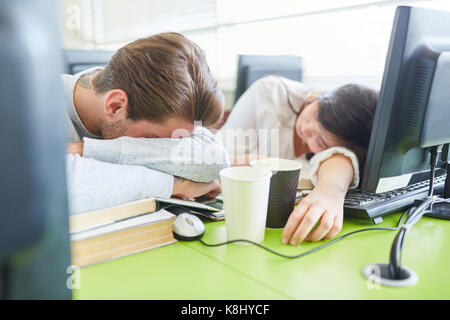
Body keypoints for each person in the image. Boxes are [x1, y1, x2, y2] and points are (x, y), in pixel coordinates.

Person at [64, 32, 230, 213]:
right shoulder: (34, 104)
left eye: (168, 143)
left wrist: (87, 150)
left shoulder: (164, 109)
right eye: (153, 139)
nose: (157, 146)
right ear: (116, 106)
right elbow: (63, 188)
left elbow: (215, 159)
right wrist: (174, 186)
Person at [217, 75, 378, 245]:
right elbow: (211, 158)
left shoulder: (333, 152)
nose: (307, 128)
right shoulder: (269, 93)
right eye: (317, 114)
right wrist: (251, 163)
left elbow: (342, 157)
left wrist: (331, 191)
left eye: (321, 141)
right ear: (326, 97)